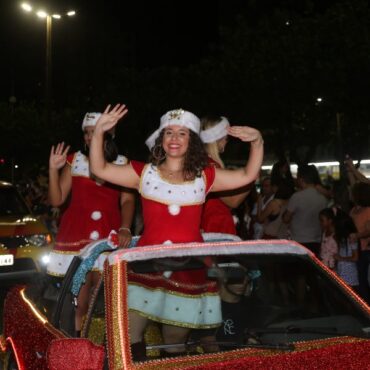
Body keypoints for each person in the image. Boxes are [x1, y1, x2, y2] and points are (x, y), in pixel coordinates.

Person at [89, 104, 263, 358]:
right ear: (161, 139)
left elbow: (248, 175)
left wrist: (257, 142)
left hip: (187, 272)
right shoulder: (144, 173)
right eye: (169, 132)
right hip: (147, 268)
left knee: (173, 345)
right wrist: (99, 134)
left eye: (182, 133)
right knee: (127, 338)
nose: (175, 138)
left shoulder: (205, 176)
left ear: (191, 140)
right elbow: (100, 169)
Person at [47, 112, 136, 333]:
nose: (89, 137)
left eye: (94, 131)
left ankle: (107, 354)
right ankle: (78, 352)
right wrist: (52, 170)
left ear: (110, 132)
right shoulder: (75, 160)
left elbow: (127, 200)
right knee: (79, 303)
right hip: (77, 236)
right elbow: (57, 199)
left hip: (109, 236)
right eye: (87, 133)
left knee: (109, 303)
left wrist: (125, 227)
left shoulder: (123, 163)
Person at [199, 115, 250, 235]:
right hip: (215, 225)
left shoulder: (205, 163)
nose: (227, 141)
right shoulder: (209, 165)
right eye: (226, 138)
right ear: (218, 138)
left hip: (211, 223)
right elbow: (233, 201)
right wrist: (251, 176)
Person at [282, 165, 328, 256]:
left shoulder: (297, 197)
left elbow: (286, 219)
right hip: (317, 240)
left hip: (299, 241)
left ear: (301, 179)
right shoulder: (323, 198)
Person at [349, 182, 370, 303]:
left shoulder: (367, 211)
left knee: (363, 281)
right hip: (357, 250)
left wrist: (357, 235)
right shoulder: (354, 210)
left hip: (365, 250)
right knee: (360, 280)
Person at [334, 210, 359, 292]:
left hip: (349, 273)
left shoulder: (351, 238)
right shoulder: (342, 238)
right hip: (341, 270)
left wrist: (341, 258)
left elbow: (355, 257)